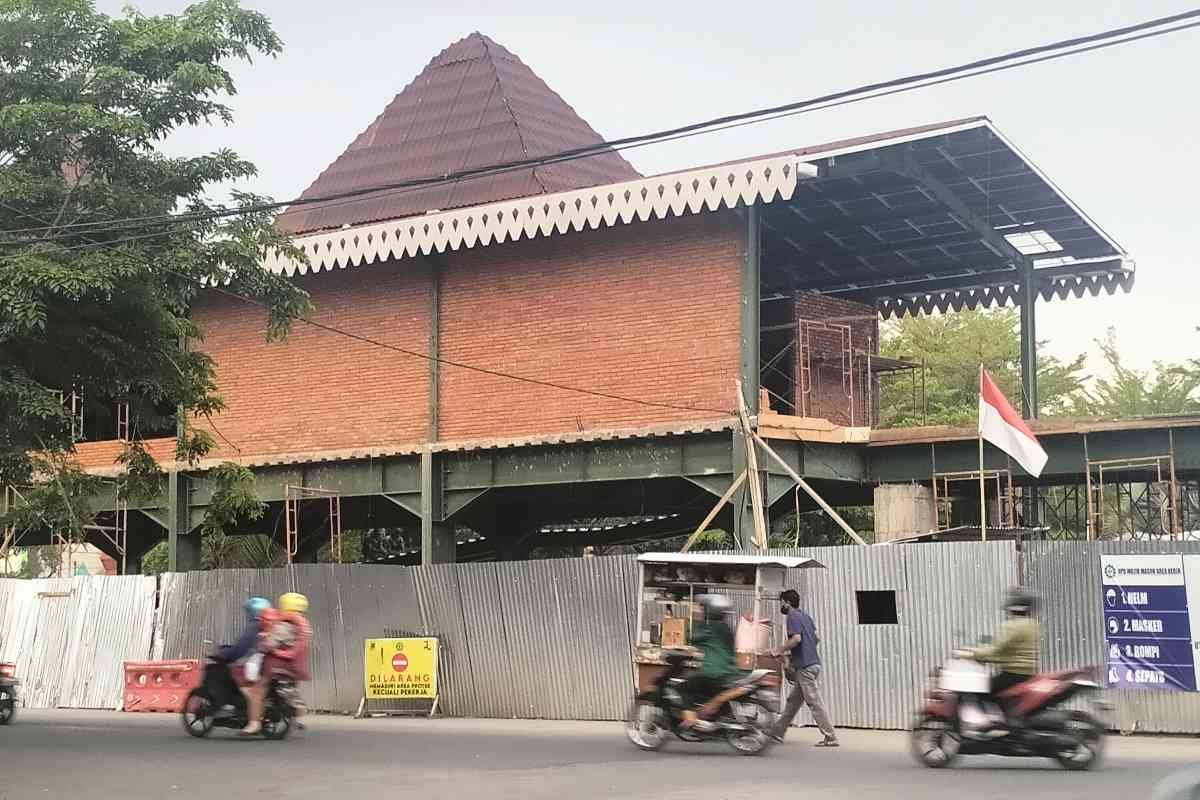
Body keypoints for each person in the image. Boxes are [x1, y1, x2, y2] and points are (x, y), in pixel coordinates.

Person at [770, 589, 838, 747]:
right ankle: (777, 733)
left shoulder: (792, 616)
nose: (781, 605)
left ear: (787, 602)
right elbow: (816, 639)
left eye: (781, 602)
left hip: (806, 667)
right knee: (793, 702)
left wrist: (778, 650)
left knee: (814, 702)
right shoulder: (805, 616)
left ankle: (831, 737)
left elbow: (796, 639)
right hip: (812, 664)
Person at [971, 587, 1040, 721]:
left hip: (1012, 674)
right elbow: (1011, 651)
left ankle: (994, 723)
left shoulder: (1011, 626)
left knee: (980, 691)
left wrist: (973, 653)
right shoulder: (1034, 624)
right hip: (1028, 674)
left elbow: (996, 649)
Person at [678, 594, 740, 732]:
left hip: (713, 672)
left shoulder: (709, 628)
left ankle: (690, 718)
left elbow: (691, 637)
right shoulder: (726, 628)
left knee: (683, 687)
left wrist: (696, 617)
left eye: (702, 608)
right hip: (729, 672)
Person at [213, 596, 271, 729]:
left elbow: (241, 648)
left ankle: (244, 712)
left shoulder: (255, 626)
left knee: (235, 673)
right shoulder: (270, 626)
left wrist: (225, 654)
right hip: (267, 664)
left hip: (254, 665)